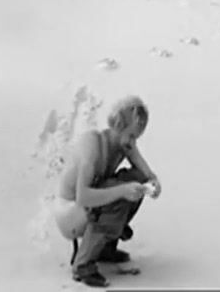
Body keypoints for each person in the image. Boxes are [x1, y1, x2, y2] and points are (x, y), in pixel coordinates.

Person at [53, 95, 161, 287]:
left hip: (87, 204)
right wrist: (122, 191)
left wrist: (152, 182)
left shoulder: (122, 143)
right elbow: (83, 197)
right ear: (118, 127)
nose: (133, 142)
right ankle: (83, 264)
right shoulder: (93, 147)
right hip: (70, 211)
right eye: (131, 136)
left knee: (136, 182)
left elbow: (144, 172)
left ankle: (104, 246)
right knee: (119, 194)